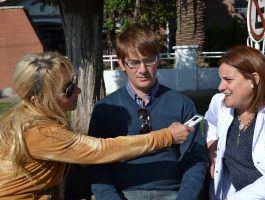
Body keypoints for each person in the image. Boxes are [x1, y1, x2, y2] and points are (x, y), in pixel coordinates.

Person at [0, 51, 193, 199]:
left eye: (73, 82)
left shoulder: (26, 119)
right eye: (67, 89)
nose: (79, 90)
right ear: (38, 100)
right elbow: (100, 150)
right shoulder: (40, 131)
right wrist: (166, 136)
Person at [65, 23, 208, 200]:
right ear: (121, 64)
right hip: (124, 194)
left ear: (158, 59)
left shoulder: (182, 104)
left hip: (173, 193)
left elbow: (196, 160)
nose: (142, 70)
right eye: (134, 62)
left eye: (149, 60)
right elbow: (97, 163)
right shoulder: (106, 108)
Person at [205, 45, 265, 200]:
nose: (220, 87)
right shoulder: (219, 103)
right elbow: (211, 123)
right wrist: (212, 148)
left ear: (254, 80)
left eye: (228, 80)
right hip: (231, 192)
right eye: (220, 79)